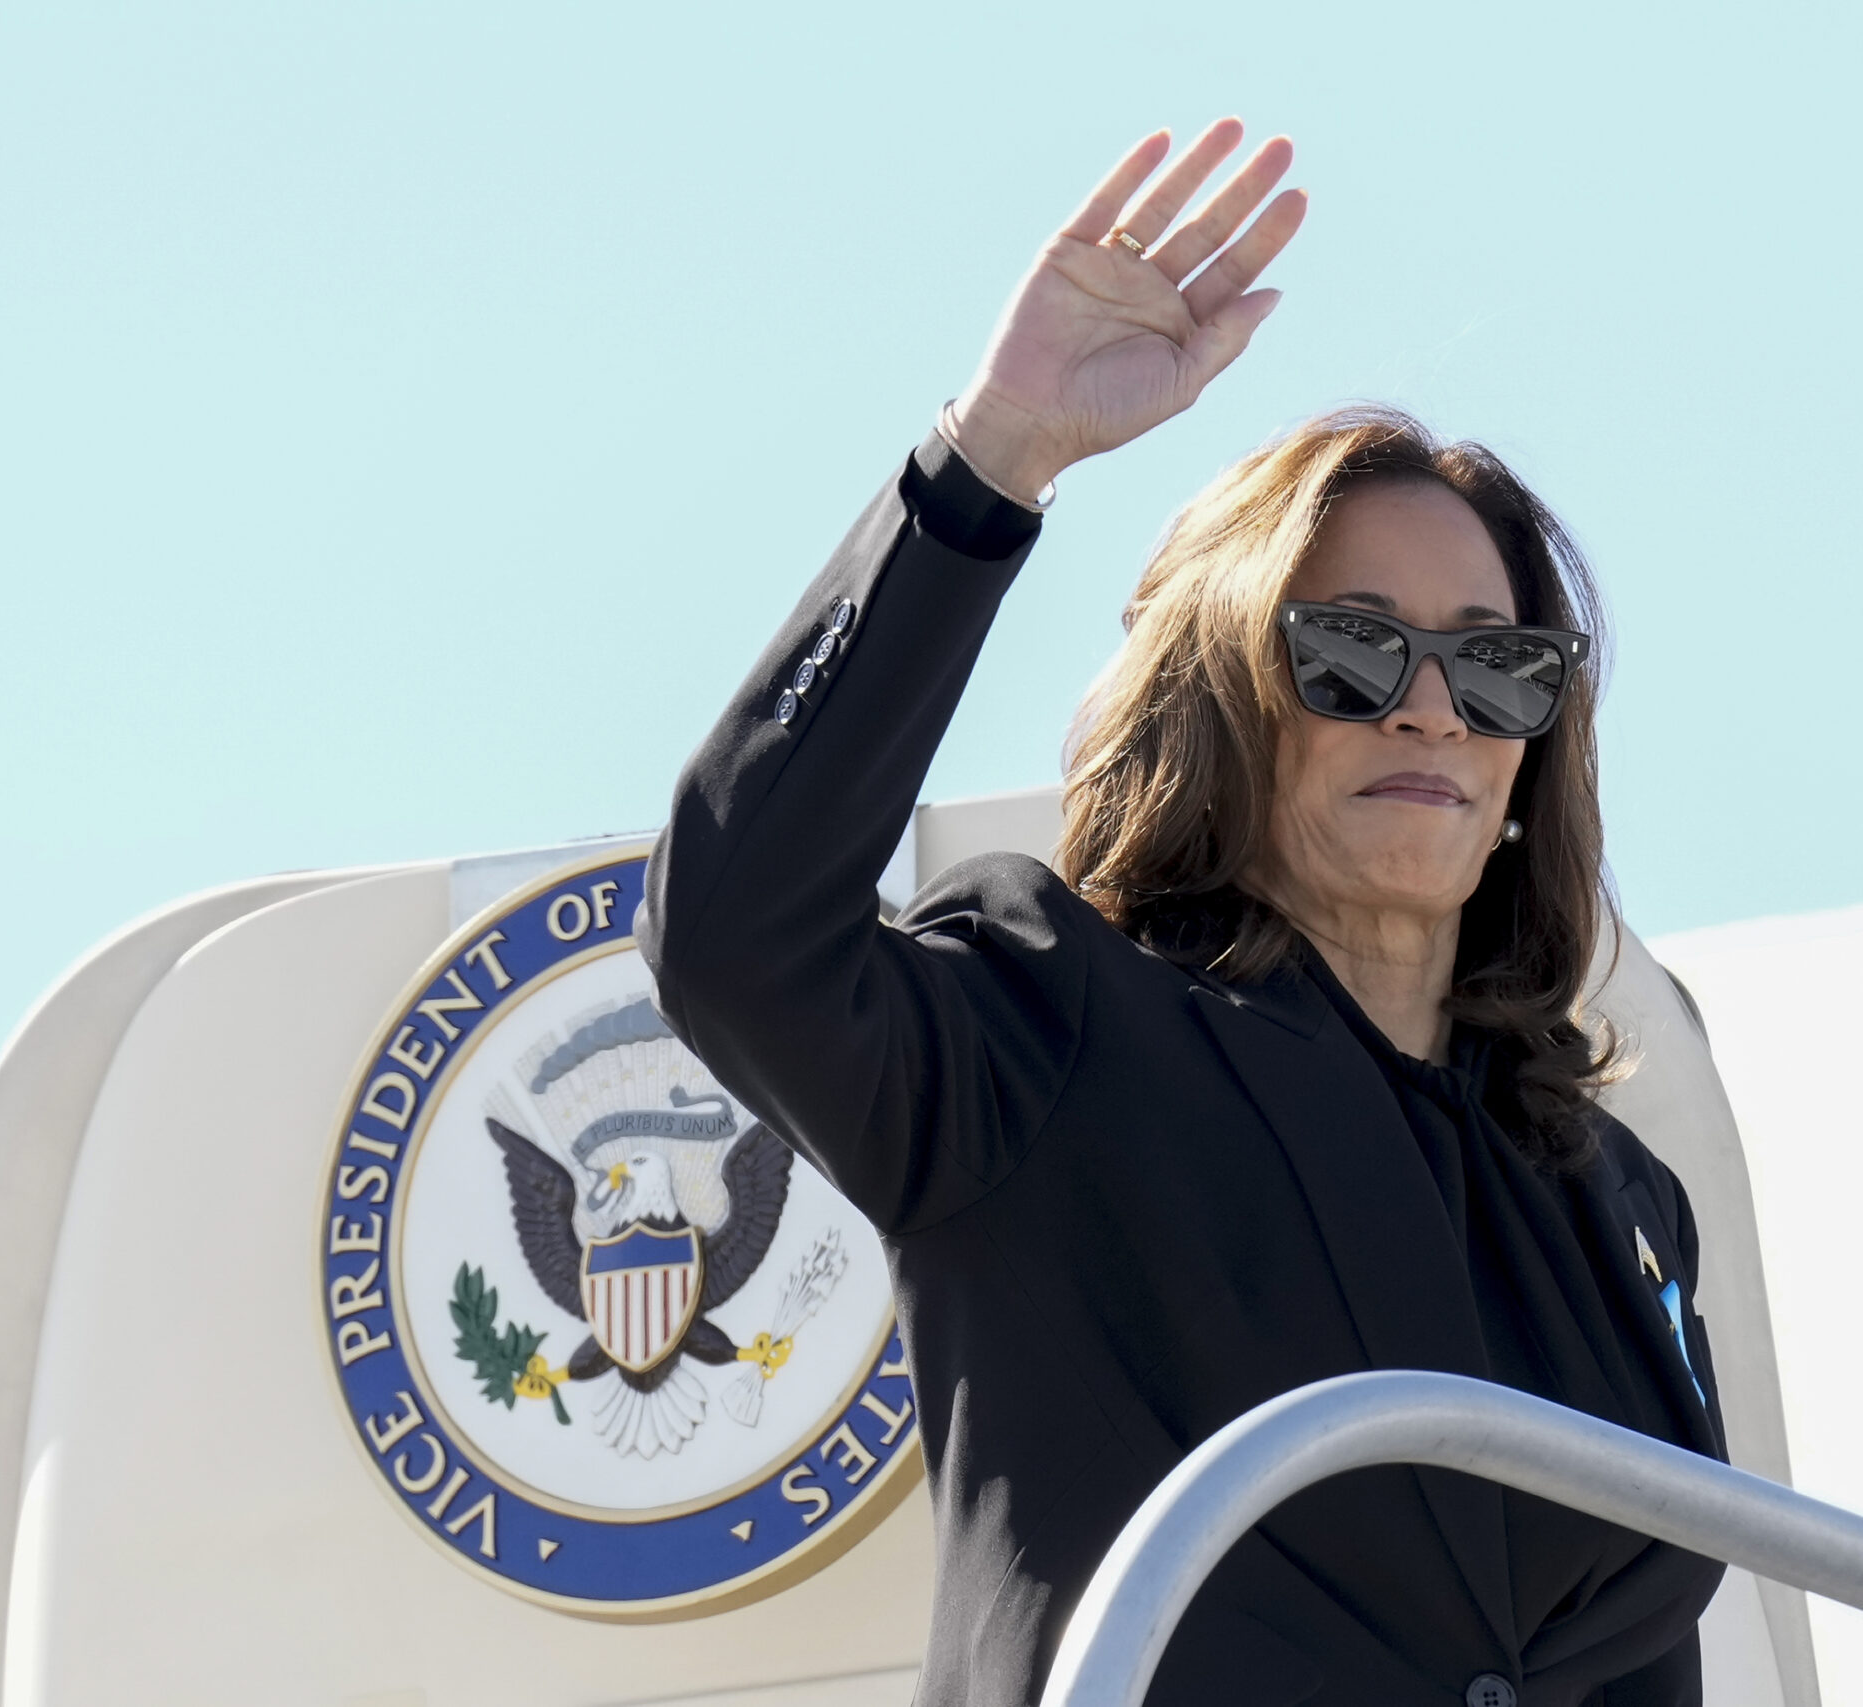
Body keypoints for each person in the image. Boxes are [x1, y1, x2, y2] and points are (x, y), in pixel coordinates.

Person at [639, 119, 1727, 1707]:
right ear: (1222, 695)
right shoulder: (1045, 1026)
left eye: (1497, 669)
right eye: (1354, 650)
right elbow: (739, 936)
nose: (1433, 712)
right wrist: (995, 453)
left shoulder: (1615, 1204)